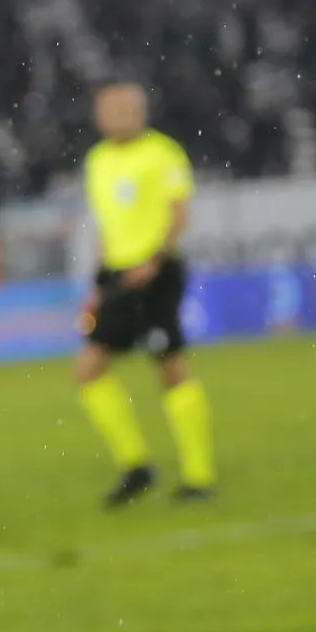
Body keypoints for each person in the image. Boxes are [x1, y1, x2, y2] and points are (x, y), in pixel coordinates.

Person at [75, 80, 216, 506]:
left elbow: (179, 212)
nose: (119, 115)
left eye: (127, 108)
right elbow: (104, 224)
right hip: (118, 277)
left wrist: (155, 261)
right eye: (111, 109)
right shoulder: (97, 160)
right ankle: (137, 466)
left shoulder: (162, 152)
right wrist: (100, 281)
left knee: (169, 365)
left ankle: (198, 476)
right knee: (89, 368)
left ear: (141, 111)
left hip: (156, 273)